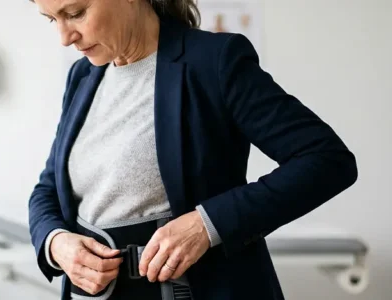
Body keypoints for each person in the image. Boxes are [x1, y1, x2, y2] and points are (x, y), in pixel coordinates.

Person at [26, 0, 358, 299]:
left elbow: (325, 159)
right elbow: (48, 188)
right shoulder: (82, 76)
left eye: (76, 13)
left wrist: (206, 224)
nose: (65, 38)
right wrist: (56, 243)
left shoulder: (214, 61)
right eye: (52, 20)